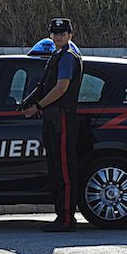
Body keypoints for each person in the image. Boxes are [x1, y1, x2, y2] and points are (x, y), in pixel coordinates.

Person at [22, 18, 83, 232]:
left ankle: (66, 219)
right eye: (55, 33)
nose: (58, 36)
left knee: (65, 170)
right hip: (53, 119)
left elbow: (61, 88)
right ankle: (61, 216)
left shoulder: (67, 57)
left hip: (63, 119)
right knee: (56, 169)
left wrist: (37, 105)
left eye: (63, 33)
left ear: (70, 35)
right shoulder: (57, 56)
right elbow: (44, 85)